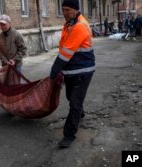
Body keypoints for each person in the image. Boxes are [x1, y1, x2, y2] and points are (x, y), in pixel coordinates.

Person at [50, 0, 95, 148]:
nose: (64, 13)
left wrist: (55, 69)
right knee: (71, 97)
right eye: (62, 9)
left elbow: (65, 53)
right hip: (71, 70)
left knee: (75, 102)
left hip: (83, 70)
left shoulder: (79, 26)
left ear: (76, 10)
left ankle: (69, 135)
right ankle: (80, 112)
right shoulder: (70, 24)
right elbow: (65, 49)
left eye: (67, 10)